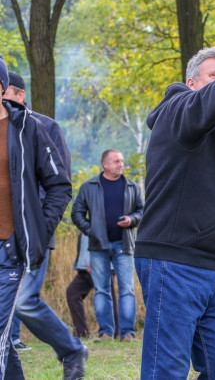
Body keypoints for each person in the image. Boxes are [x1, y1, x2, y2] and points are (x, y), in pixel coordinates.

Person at [135, 47, 215, 379]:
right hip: (174, 262)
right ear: (192, 83)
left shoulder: (212, 134)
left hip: (210, 269)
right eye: (214, 76)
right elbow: (203, 105)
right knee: (166, 370)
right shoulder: (177, 110)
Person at [0, 57, 86, 379]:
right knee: (10, 320)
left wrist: (40, 228)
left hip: (21, 241)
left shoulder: (37, 127)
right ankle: (70, 349)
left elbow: (59, 184)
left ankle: (71, 349)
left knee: (22, 302)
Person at [71, 149, 143, 342]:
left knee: (127, 290)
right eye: (116, 161)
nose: (121, 164)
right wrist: (91, 230)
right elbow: (77, 213)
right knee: (101, 290)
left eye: (122, 161)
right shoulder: (88, 187)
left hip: (124, 245)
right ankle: (105, 333)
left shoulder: (132, 187)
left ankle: (127, 333)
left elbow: (142, 211)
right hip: (98, 245)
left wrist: (132, 220)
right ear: (105, 164)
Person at [65, 233, 119, 338]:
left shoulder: (100, 225)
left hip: (101, 267)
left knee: (108, 298)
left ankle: (116, 333)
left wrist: (96, 262)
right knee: (72, 293)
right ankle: (81, 332)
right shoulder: (85, 225)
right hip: (84, 268)